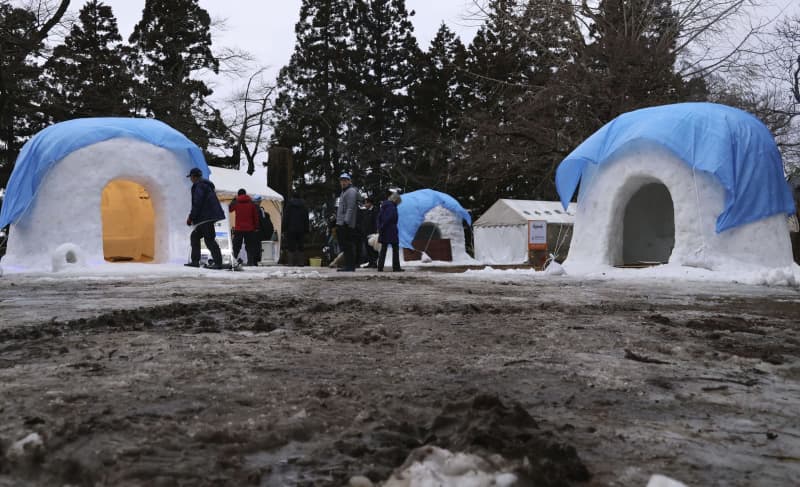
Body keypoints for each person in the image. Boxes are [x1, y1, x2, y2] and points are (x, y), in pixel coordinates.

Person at [185, 167, 225, 269]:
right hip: (207, 216)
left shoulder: (199, 186)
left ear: (194, 177)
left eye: (191, 177)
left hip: (206, 216)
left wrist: (191, 217)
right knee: (195, 236)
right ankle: (195, 261)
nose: (191, 179)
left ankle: (218, 263)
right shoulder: (205, 185)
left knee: (209, 239)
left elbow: (197, 203)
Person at [228, 188, 260, 266]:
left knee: (236, 246)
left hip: (239, 228)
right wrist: (256, 226)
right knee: (250, 246)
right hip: (250, 228)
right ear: (245, 194)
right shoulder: (251, 203)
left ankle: (233, 261)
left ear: (238, 195)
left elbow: (229, 209)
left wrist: (233, 200)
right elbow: (255, 216)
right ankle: (250, 262)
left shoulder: (236, 202)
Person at [335, 173, 358, 272]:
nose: (343, 182)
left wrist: (346, 222)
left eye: (345, 180)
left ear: (349, 181)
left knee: (347, 245)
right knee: (344, 245)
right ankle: (348, 265)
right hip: (341, 222)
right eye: (341, 180)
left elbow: (350, 208)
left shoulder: (351, 191)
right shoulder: (344, 192)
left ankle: (350, 266)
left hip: (346, 224)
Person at [282, 191, 309, 266]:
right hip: (301, 229)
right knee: (301, 245)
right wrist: (306, 230)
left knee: (291, 246)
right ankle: (301, 262)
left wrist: (284, 229)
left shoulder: (289, 205)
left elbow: (286, 218)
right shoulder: (304, 206)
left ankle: (291, 263)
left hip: (290, 229)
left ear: (292, 197)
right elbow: (306, 218)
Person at [378, 191, 403, 272]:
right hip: (390, 230)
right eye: (398, 202)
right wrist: (384, 226)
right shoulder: (391, 206)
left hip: (384, 230)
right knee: (395, 249)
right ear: (395, 200)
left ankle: (380, 267)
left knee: (383, 249)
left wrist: (380, 227)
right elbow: (388, 218)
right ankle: (396, 267)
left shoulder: (384, 205)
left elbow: (379, 218)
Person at [253, 196, 274, 264]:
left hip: (256, 231)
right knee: (258, 247)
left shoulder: (258, 210)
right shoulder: (261, 212)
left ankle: (254, 260)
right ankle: (256, 260)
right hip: (260, 232)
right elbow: (266, 224)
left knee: (255, 246)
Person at [360, 197, 379, 268]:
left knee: (373, 248)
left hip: (372, 232)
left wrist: (376, 231)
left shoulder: (375, 211)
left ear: (370, 203)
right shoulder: (366, 211)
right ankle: (370, 262)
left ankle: (374, 262)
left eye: (366, 203)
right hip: (365, 232)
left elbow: (376, 222)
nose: (365, 204)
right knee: (368, 248)